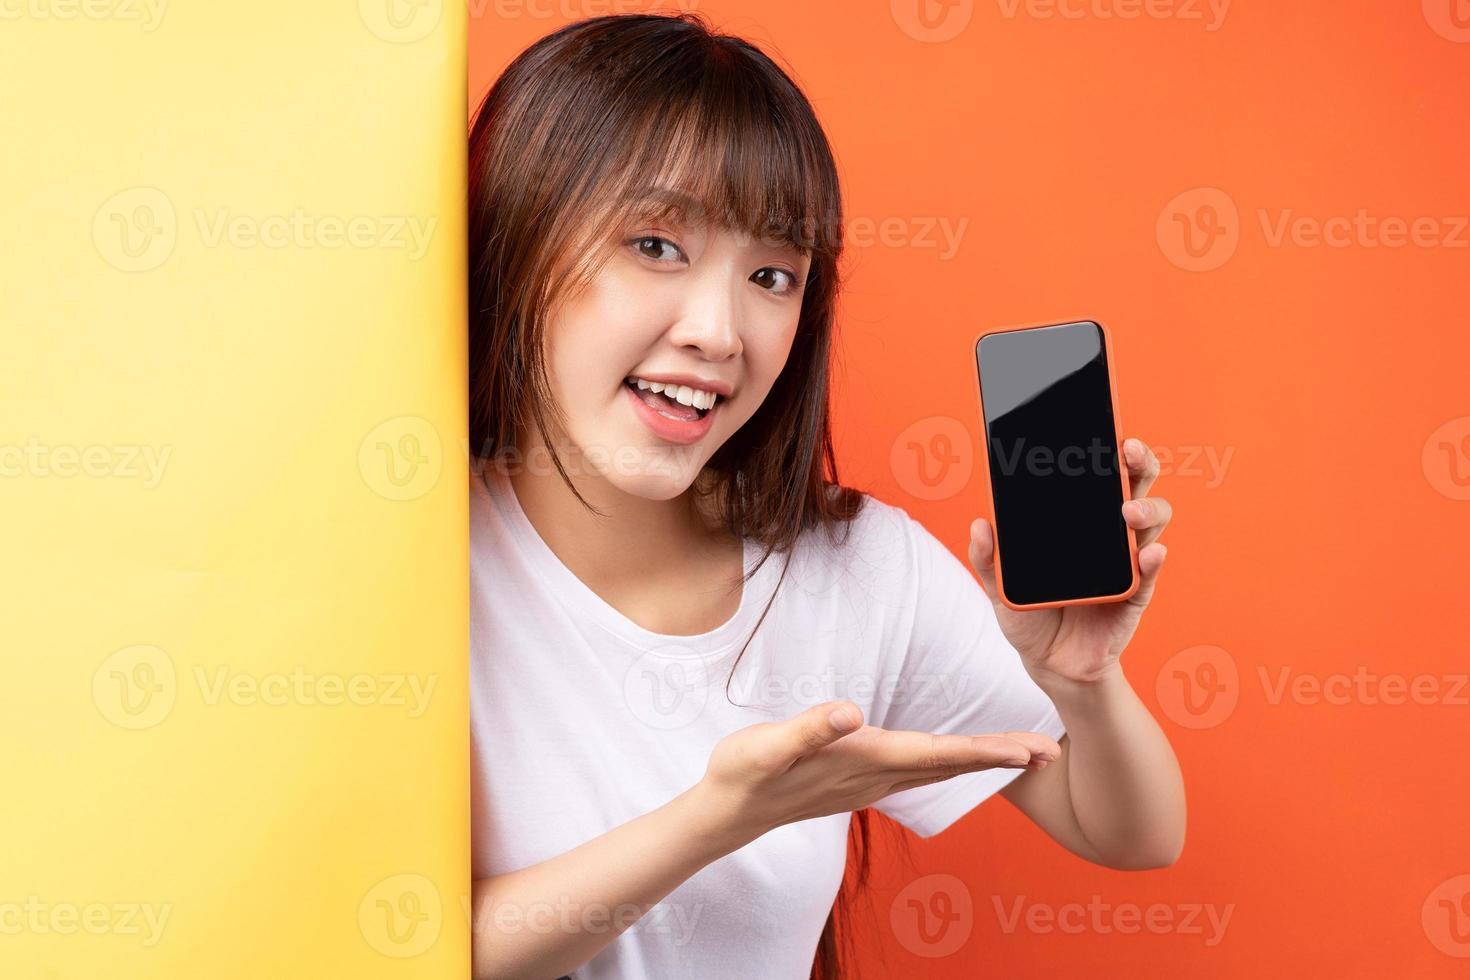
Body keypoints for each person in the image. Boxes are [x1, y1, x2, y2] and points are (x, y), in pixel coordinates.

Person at [467, 13, 1184, 979]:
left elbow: (1130, 833)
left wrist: (1083, 687)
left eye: (772, 275)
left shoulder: (855, 568)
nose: (720, 332)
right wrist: (722, 817)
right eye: (655, 245)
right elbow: (406, 945)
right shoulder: (413, 561)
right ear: (516, 237)